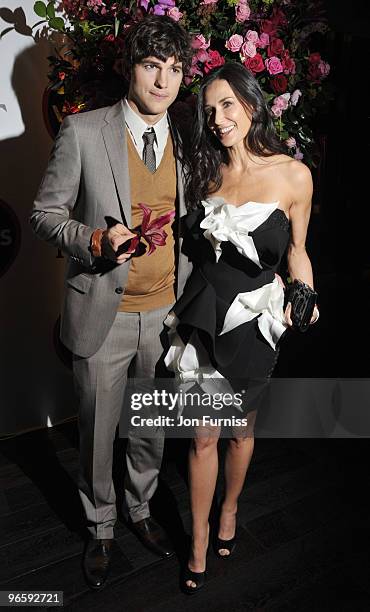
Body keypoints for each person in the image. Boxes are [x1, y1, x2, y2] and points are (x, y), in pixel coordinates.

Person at [30, 15, 193, 590]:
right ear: (132, 67)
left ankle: (141, 507)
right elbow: (45, 215)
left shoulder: (191, 138)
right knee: (98, 431)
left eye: (174, 70)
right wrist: (94, 240)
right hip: (105, 312)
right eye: (152, 66)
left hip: (168, 316)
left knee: (150, 427)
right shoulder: (83, 131)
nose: (162, 82)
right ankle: (100, 525)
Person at [163, 61, 319, 593]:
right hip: (206, 319)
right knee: (201, 438)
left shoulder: (293, 175)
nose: (219, 118)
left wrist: (307, 295)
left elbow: (298, 254)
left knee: (240, 431)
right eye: (210, 110)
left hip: (254, 323)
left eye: (227, 104)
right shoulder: (205, 174)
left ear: (251, 103)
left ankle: (230, 507)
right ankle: (200, 538)